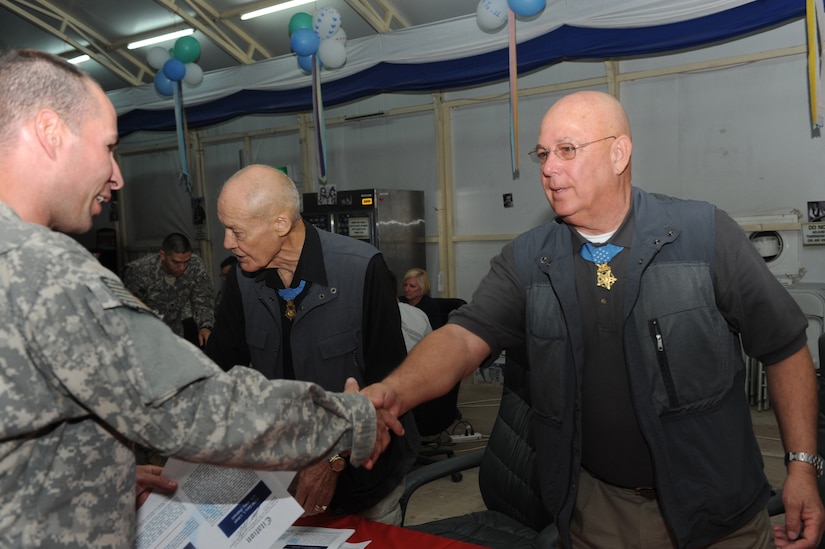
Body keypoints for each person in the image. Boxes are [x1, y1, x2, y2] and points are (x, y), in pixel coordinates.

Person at [363, 90, 825, 548]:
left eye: (567, 150)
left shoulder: (703, 237)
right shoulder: (528, 260)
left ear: (619, 153)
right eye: (543, 153)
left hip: (719, 516)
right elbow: (463, 339)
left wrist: (802, 466)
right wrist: (393, 393)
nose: (547, 167)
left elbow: (784, 348)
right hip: (596, 514)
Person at [0, 49, 403, 547]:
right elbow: (194, 403)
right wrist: (351, 418)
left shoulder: (360, 269)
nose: (117, 175)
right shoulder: (43, 270)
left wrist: (104, 478)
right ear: (49, 132)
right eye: (108, 147)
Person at [205, 165, 419, 526]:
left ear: (280, 224)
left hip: (364, 479)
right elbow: (221, 376)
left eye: (236, 231)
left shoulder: (362, 270)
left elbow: (389, 388)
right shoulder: (242, 282)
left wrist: (333, 460)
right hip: (282, 480)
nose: (226, 243)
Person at [124, 232, 215, 346]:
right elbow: (130, 311)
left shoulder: (195, 266)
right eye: (176, 262)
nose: (182, 267)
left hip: (176, 335)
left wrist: (205, 326)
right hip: (146, 336)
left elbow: (203, 300)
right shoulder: (140, 271)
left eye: (186, 261)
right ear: (163, 255)